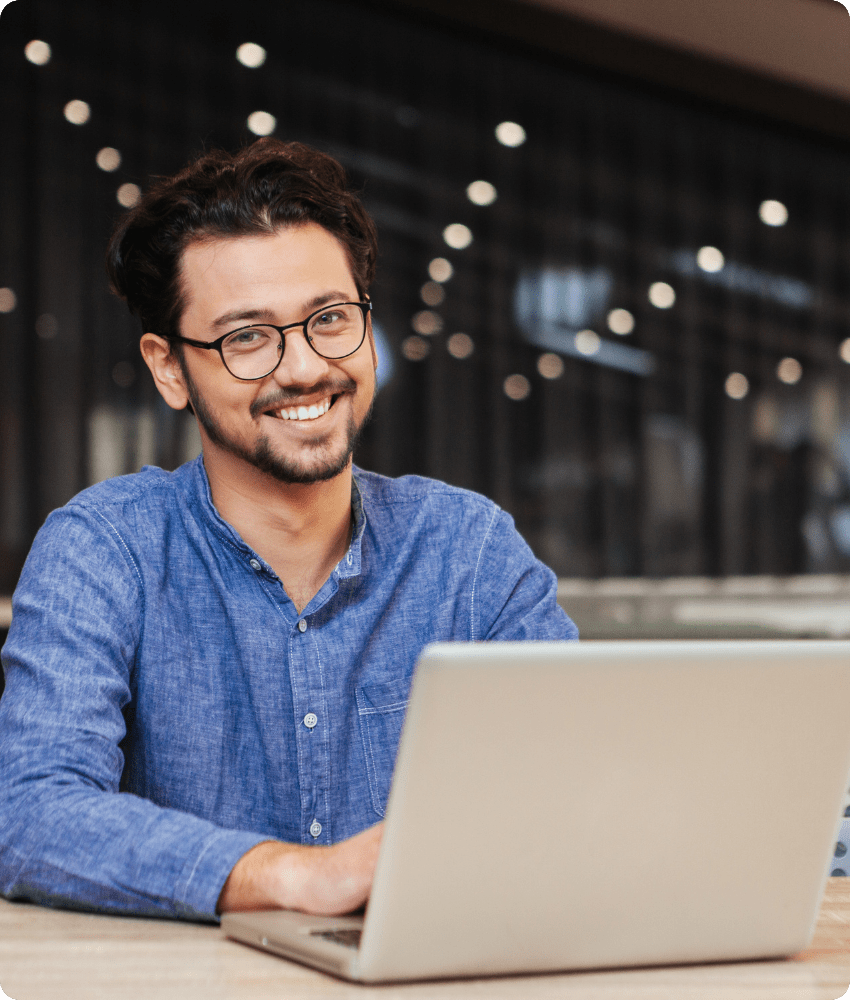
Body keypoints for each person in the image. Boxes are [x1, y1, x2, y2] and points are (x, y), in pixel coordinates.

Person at [0, 138, 577, 923]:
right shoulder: (104, 551)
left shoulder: (466, 548)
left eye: (329, 319)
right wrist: (290, 875)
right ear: (170, 368)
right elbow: (30, 814)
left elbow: (586, 781)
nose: (304, 368)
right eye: (246, 337)